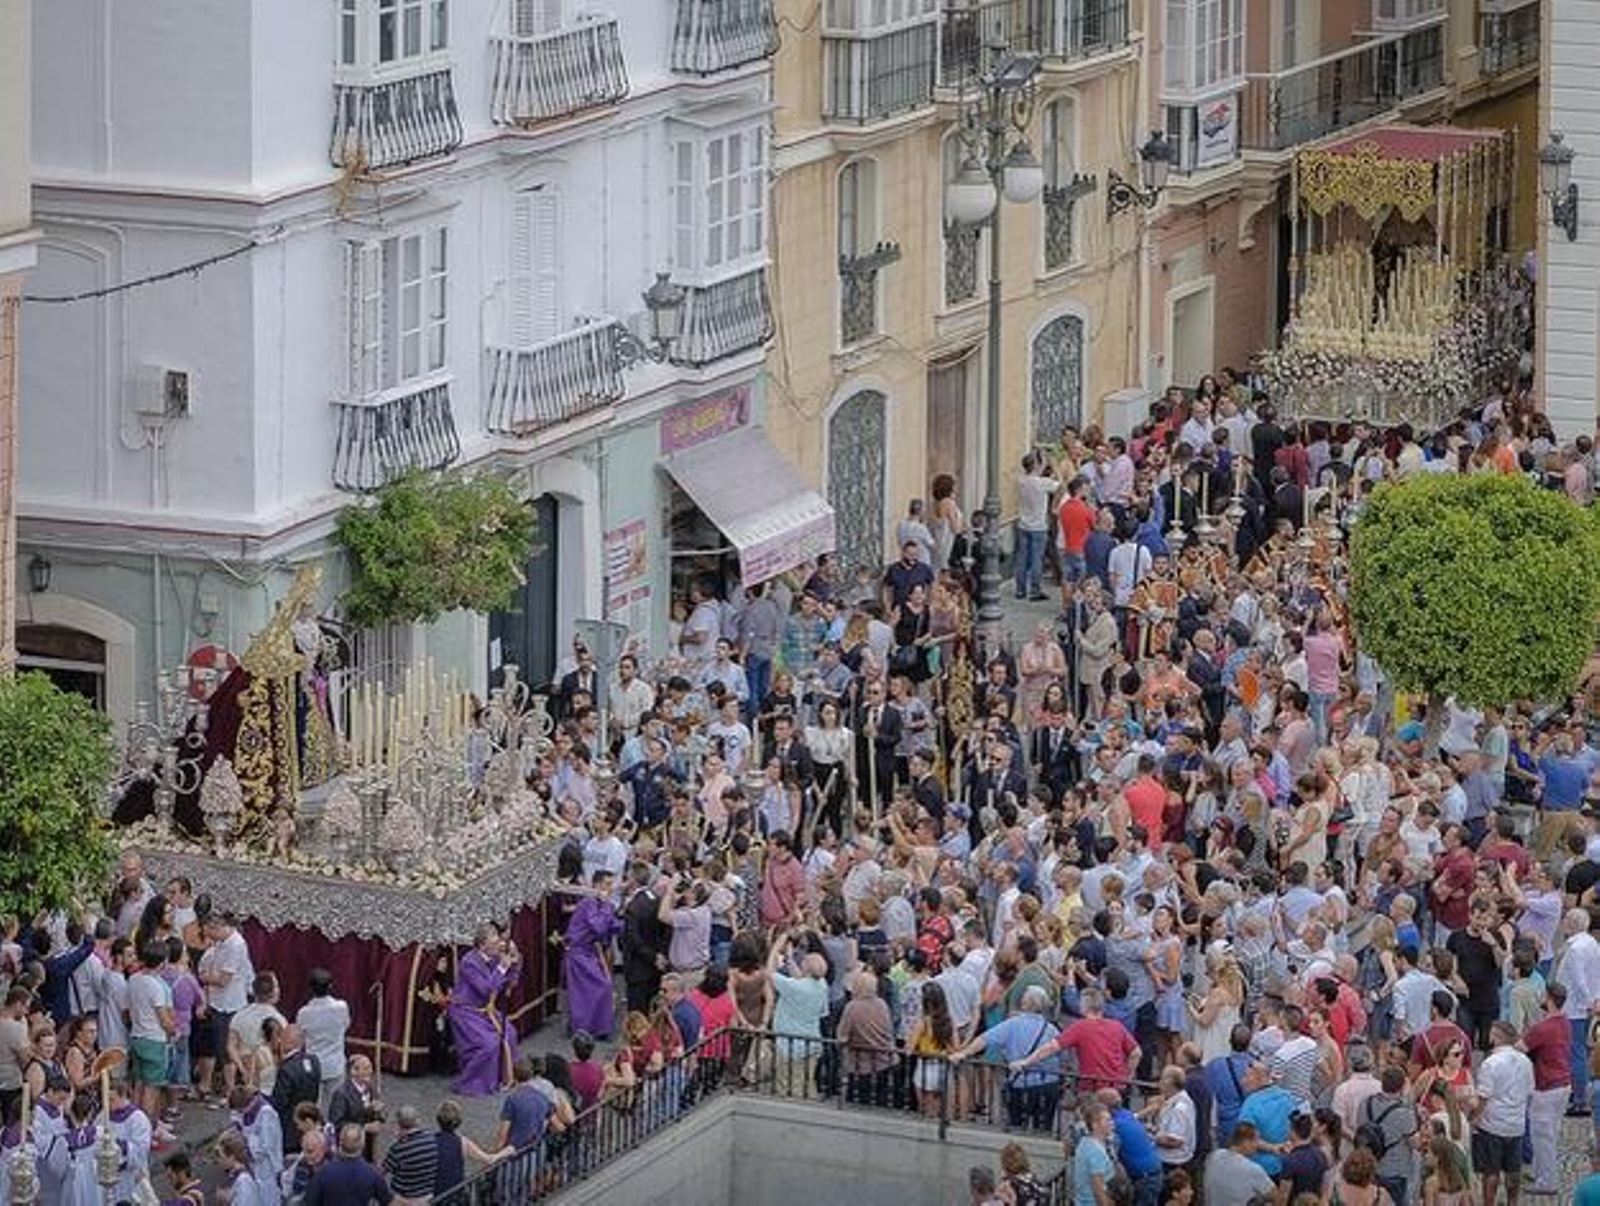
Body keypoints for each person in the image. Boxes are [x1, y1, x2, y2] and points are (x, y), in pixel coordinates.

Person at [448, 923, 518, 1097]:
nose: (498, 946)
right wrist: (502, 968)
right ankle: (474, 1083)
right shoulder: (469, 963)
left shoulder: (493, 957)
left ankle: (503, 1078)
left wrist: (514, 960)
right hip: (466, 1012)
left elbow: (509, 981)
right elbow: (486, 989)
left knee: (510, 1033)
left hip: (485, 1010)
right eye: (494, 943)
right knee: (489, 1044)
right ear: (482, 945)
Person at [1472, 1020, 1534, 1206]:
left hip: (1493, 1123)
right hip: (1516, 1123)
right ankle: (1512, 1202)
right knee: (1513, 1170)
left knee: (1491, 1171)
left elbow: (1484, 1096)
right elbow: (1530, 1092)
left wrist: (1474, 1118)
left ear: (1496, 1037)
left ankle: (1489, 1203)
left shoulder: (1490, 1063)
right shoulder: (1525, 1061)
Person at [563, 870, 623, 1040]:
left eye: (611, 884)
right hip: (579, 952)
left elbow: (612, 925)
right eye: (607, 885)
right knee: (599, 987)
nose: (610, 889)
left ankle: (596, 1027)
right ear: (596, 885)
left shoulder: (603, 904)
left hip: (589, 952)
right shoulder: (589, 903)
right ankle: (584, 1028)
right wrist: (606, 907)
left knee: (600, 987)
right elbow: (599, 927)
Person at [296, 968, 350, 1111]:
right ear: (330, 986)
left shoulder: (304, 1013)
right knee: (336, 1107)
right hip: (336, 1063)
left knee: (313, 1109)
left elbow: (300, 1038)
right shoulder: (341, 1007)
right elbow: (346, 1025)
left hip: (313, 1066)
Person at [304, 1123, 393, 1205]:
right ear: (362, 1144)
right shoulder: (373, 1174)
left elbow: (310, 1202)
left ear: (340, 1142)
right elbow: (387, 1201)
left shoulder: (322, 1174)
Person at [1202, 1120, 1277, 1206]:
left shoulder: (1213, 1156)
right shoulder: (1252, 1169)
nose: (1257, 1146)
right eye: (1256, 1141)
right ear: (1246, 1143)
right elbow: (1275, 1196)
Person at [381, 1106, 436, 1206]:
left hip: (403, 1198)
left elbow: (382, 1171)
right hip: (427, 1197)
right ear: (417, 1122)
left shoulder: (398, 1148)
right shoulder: (431, 1139)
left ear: (398, 1125)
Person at [1073, 1101, 1118, 1206]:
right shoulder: (1096, 1152)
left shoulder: (1084, 1141)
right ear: (1095, 1125)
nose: (1112, 1123)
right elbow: (1099, 1193)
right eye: (1107, 1120)